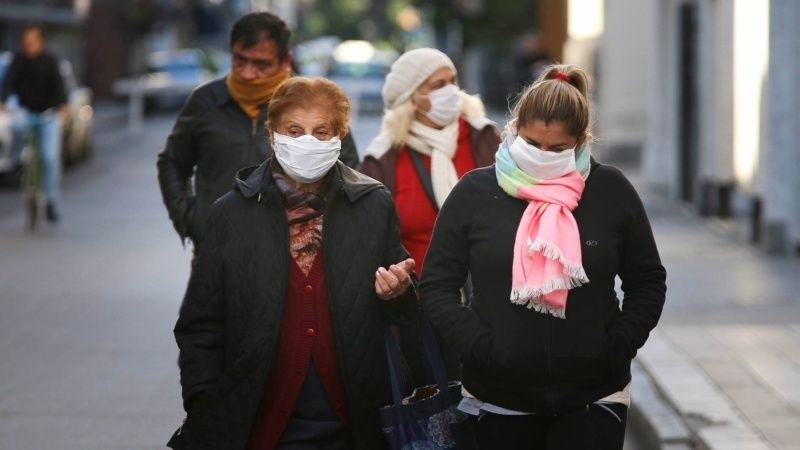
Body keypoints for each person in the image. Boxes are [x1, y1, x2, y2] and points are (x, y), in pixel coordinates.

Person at [420, 64, 667, 449]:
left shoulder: (610, 191)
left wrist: (615, 345)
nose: (542, 156)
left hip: (594, 395)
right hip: (498, 399)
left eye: (557, 149)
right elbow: (436, 285)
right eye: (533, 144)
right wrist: (482, 347)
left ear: (581, 141)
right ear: (516, 127)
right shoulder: (474, 192)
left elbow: (647, 280)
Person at [167, 76, 417, 450]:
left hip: (354, 421)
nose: (307, 142)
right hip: (257, 422)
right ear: (272, 135)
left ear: (339, 136)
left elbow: (406, 310)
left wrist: (398, 292)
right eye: (294, 130)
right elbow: (200, 324)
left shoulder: (372, 205)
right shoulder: (230, 214)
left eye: (321, 131)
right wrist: (206, 402)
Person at [157, 12, 359, 252]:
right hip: (216, 250)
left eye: (261, 64)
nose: (248, 73)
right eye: (240, 61)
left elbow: (348, 171)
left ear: (286, 61)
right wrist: (191, 219)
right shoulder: (206, 101)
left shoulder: (313, 103)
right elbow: (172, 161)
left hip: (291, 256)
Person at [358, 48, 500, 272]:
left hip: (484, 293)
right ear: (411, 98)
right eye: (438, 85)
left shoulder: (484, 137)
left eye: (453, 81)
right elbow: (368, 241)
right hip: (416, 297)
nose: (451, 91)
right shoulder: (382, 159)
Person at [0, 25, 69, 222]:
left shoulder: (50, 61)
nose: (28, 47)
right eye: (25, 44)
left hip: (47, 114)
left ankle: (51, 202)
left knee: (50, 158)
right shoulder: (18, 61)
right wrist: (4, 100)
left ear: (40, 42)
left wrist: (63, 105)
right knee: (15, 126)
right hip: (25, 111)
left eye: (32, 43)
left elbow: (59, 85)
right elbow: (8, 82)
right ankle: (16, 161)